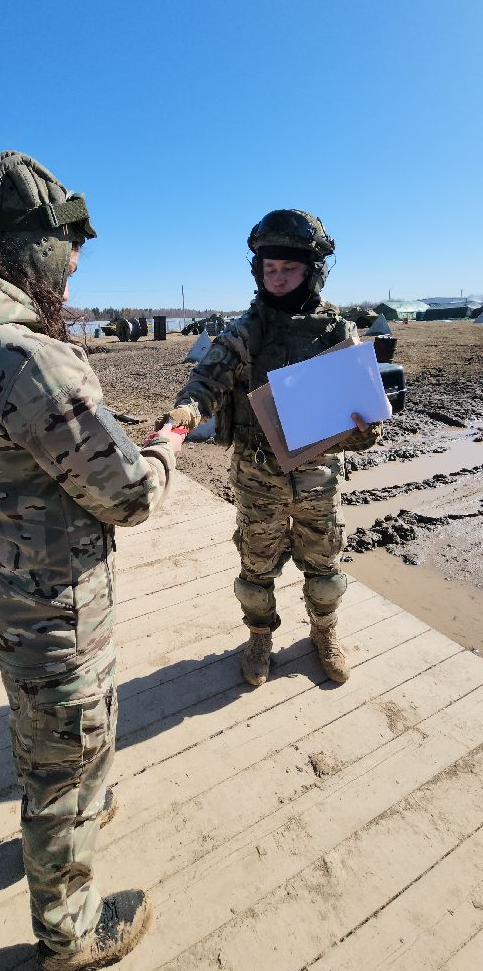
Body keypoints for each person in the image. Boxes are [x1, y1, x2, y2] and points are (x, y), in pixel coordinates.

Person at [0, 151, 184, 971]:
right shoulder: (25, 357)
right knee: (64, 770)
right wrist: (164, 446)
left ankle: (77, 803)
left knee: (43, 737)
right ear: (27, 247)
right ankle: (69, 934)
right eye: (68, 246)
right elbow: (124, 495)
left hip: (5, 600)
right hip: (60, 617)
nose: (78, 262)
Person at [160, 209, 385, 687]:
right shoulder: (245, 331)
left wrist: (365, 430)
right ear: (258, 271)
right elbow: (207, 381)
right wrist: (186, 411)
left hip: (318, 474)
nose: (278, 279)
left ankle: (324, 632)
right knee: (256, 566)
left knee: (324, 564)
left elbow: (361, 409)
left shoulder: (337, 333)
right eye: (270, 269)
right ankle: (259, 636)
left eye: (289, 269)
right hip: (258, 473)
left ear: (312, 271)